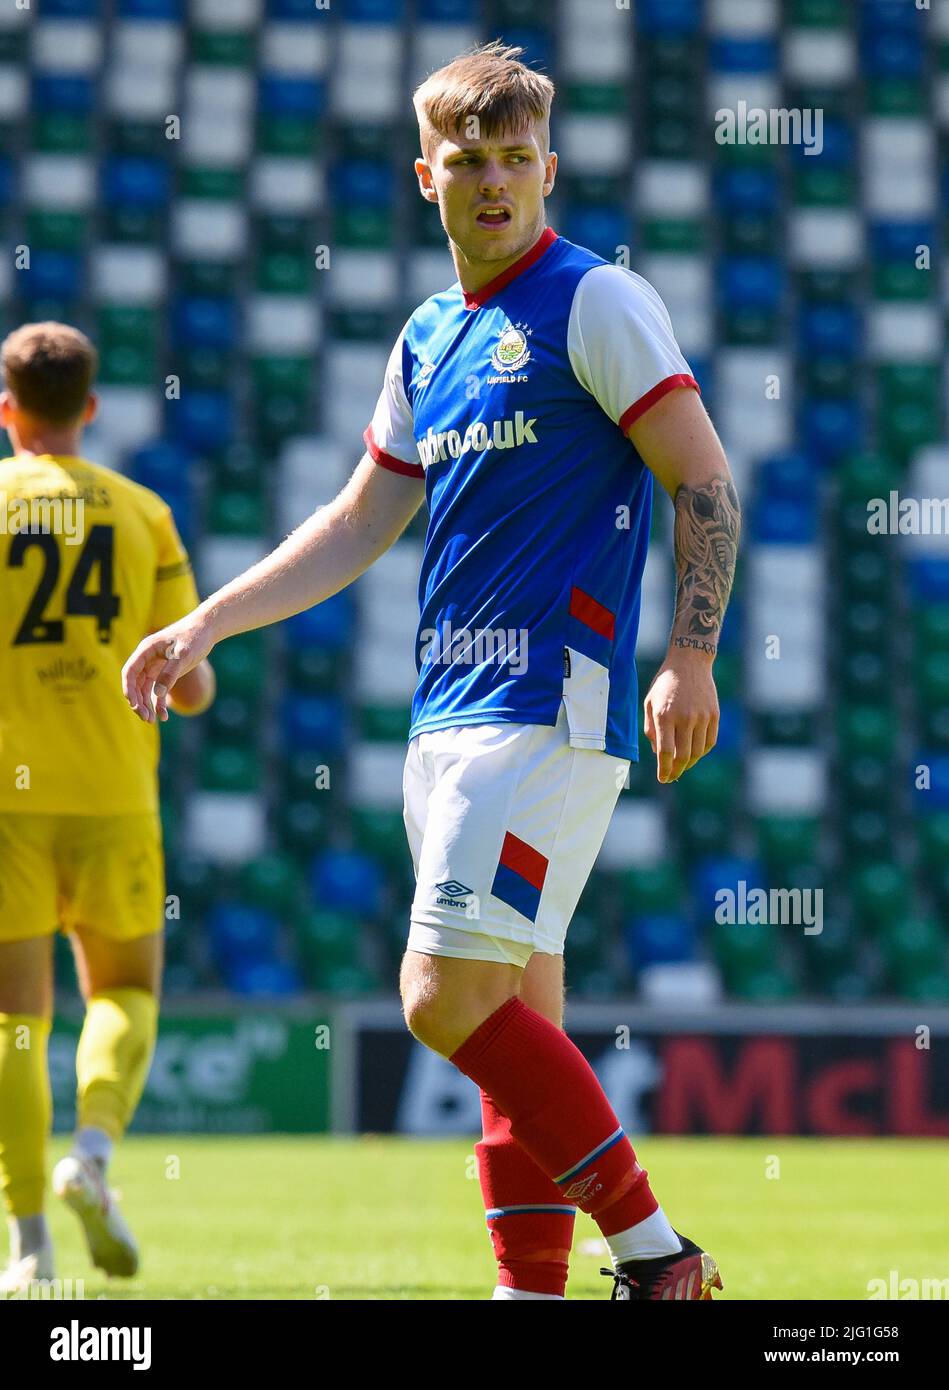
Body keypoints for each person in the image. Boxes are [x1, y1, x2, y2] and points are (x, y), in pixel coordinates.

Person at [122, 42, 739, 1301]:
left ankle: (658, 1256)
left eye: (518, 159)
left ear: (549, 170)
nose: (495, 181)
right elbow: (357, 520)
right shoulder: (426, 337)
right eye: (470, 160)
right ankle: (528, 1291)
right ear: (426, 176)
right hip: (444, 721)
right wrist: (207, 623)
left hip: (544, 709)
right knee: (518, 1025)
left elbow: (706, 480)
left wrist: (689, 655)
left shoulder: (595, 301)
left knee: (435, 996)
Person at [0, 322, 215, 1293]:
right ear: (90, 408)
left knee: (14, 1024)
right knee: (122, 993)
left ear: (8, 411)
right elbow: (194, 684)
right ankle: (90, 1152)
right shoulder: (143, 513)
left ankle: (28, 1250)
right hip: (115, 793)